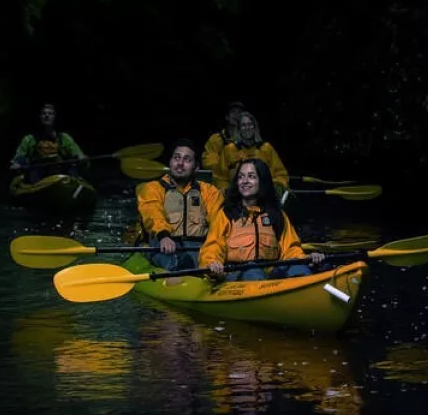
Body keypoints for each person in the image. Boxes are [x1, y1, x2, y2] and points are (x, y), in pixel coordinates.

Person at [199, 158, 324, 281]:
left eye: (251, 176)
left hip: (271, 271)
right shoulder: (226, 214)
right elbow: (213, 246)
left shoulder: (276, 214)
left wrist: (306, 259)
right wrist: (212, 263)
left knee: (299, 268)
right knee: (253, 272)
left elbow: (291, 249)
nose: (245, 181)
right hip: (238, 273)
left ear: (262, 181)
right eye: (241, 177)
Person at [135, 139, 224, 278]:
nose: (180, 163)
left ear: (196, 167)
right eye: (176, 158)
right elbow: (152, 212)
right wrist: (163, 235)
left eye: (187, 159)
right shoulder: (152, 188)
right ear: (170, 162)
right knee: (178, 263)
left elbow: (219, 225)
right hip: (163, 246)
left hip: (198, 248)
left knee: (200, 263)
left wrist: (212, 258)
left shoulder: (210, 192)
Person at [210, 110, 290, 196]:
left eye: (250, 124)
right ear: (239, 129)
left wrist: (272, 187)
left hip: (263, 197)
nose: (247, 128)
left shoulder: (267, 148)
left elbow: (281, 175)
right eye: (243, 125)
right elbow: (219, 177)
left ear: (255, 128)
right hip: (237, 197)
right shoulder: (229, 149)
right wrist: (229, 192)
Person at [9, 103, 87, 184]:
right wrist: (16, 164)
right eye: (44, 113)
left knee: (72, 164)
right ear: (39, 117)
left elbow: (79, 155)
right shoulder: (29, 139)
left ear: (55, 118)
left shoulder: (65, 138)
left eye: (50, 113)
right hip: (38, 179)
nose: (47, 116)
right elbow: (19, 157)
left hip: (61, 177)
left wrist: (82, 159)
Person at [202, 101, 244, 171]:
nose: (236, 115)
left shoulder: (249, 140)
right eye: (233, 112)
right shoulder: (215, 139)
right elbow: (208, 162)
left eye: (239, 112)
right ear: (227, 117)